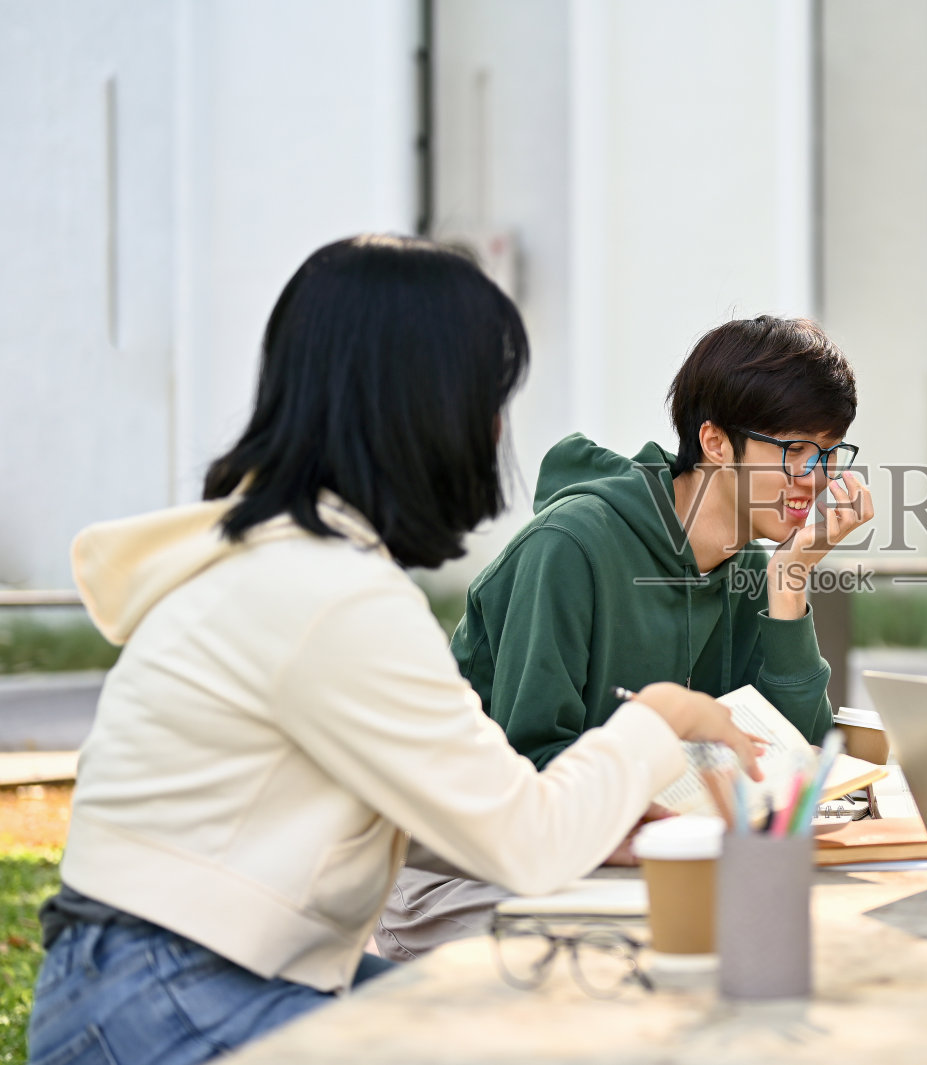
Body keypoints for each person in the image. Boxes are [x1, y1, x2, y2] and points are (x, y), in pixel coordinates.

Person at [26, 236, 759, 1065]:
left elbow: (448, 803)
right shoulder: (330, 592)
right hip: (166, 999)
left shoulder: (288, 559)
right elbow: (529, 840)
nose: (494, 432)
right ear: (425, 407)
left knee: (550, 1017)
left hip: (150, 977)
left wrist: (601, 824)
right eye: (491, 400)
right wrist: (660, 715)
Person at [376, 315, 873, 958]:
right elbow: (528, 768)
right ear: (716, 442)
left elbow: (792, 765)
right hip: (466, 874)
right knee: (681, 956)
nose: (816, 476)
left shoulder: (752, 567)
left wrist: (791, 578)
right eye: (794, 450)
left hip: (630, 860)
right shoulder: (569, 548)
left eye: (829, 452)